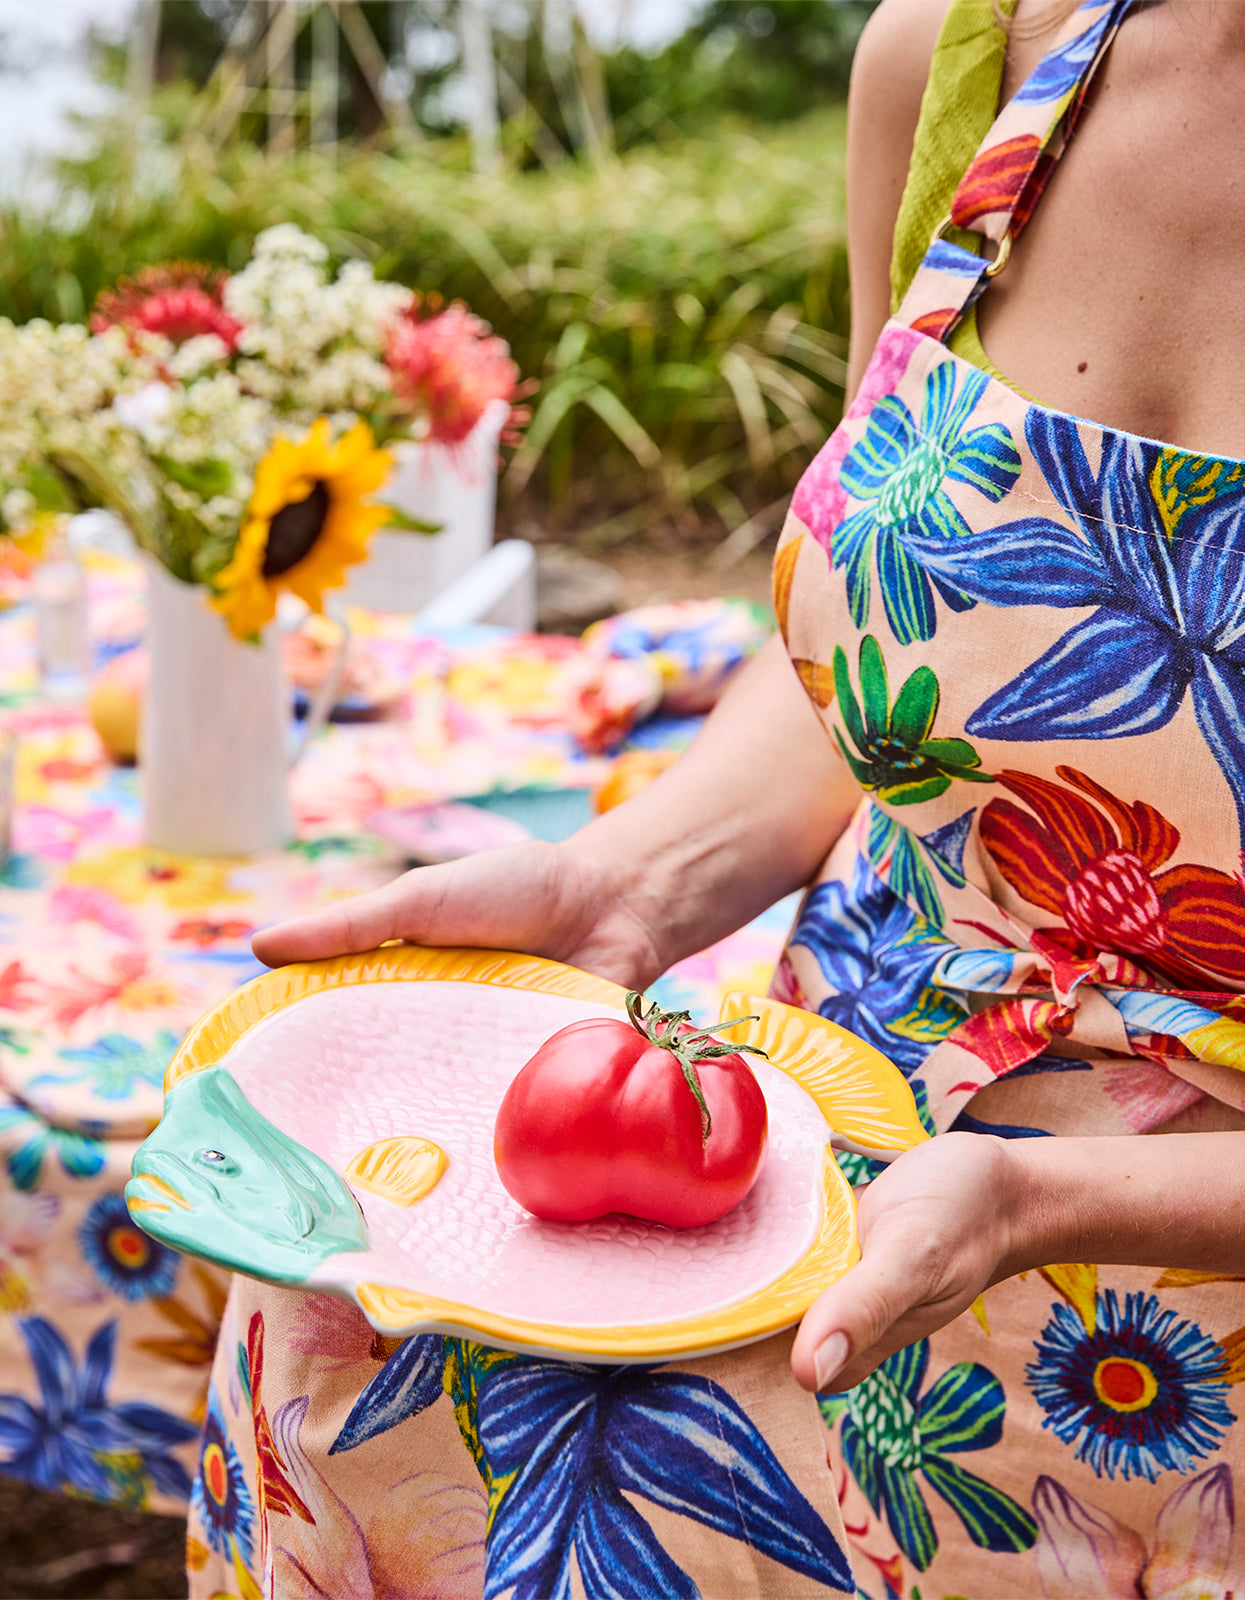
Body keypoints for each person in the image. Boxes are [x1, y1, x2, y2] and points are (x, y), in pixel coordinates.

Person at [190, 1, 1245, 1593]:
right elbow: (915, 647)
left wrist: (1048, 1191)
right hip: (838, 1149)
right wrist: (637, 878)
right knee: (342, 1352)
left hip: (1166, 1348)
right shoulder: (972, 52)